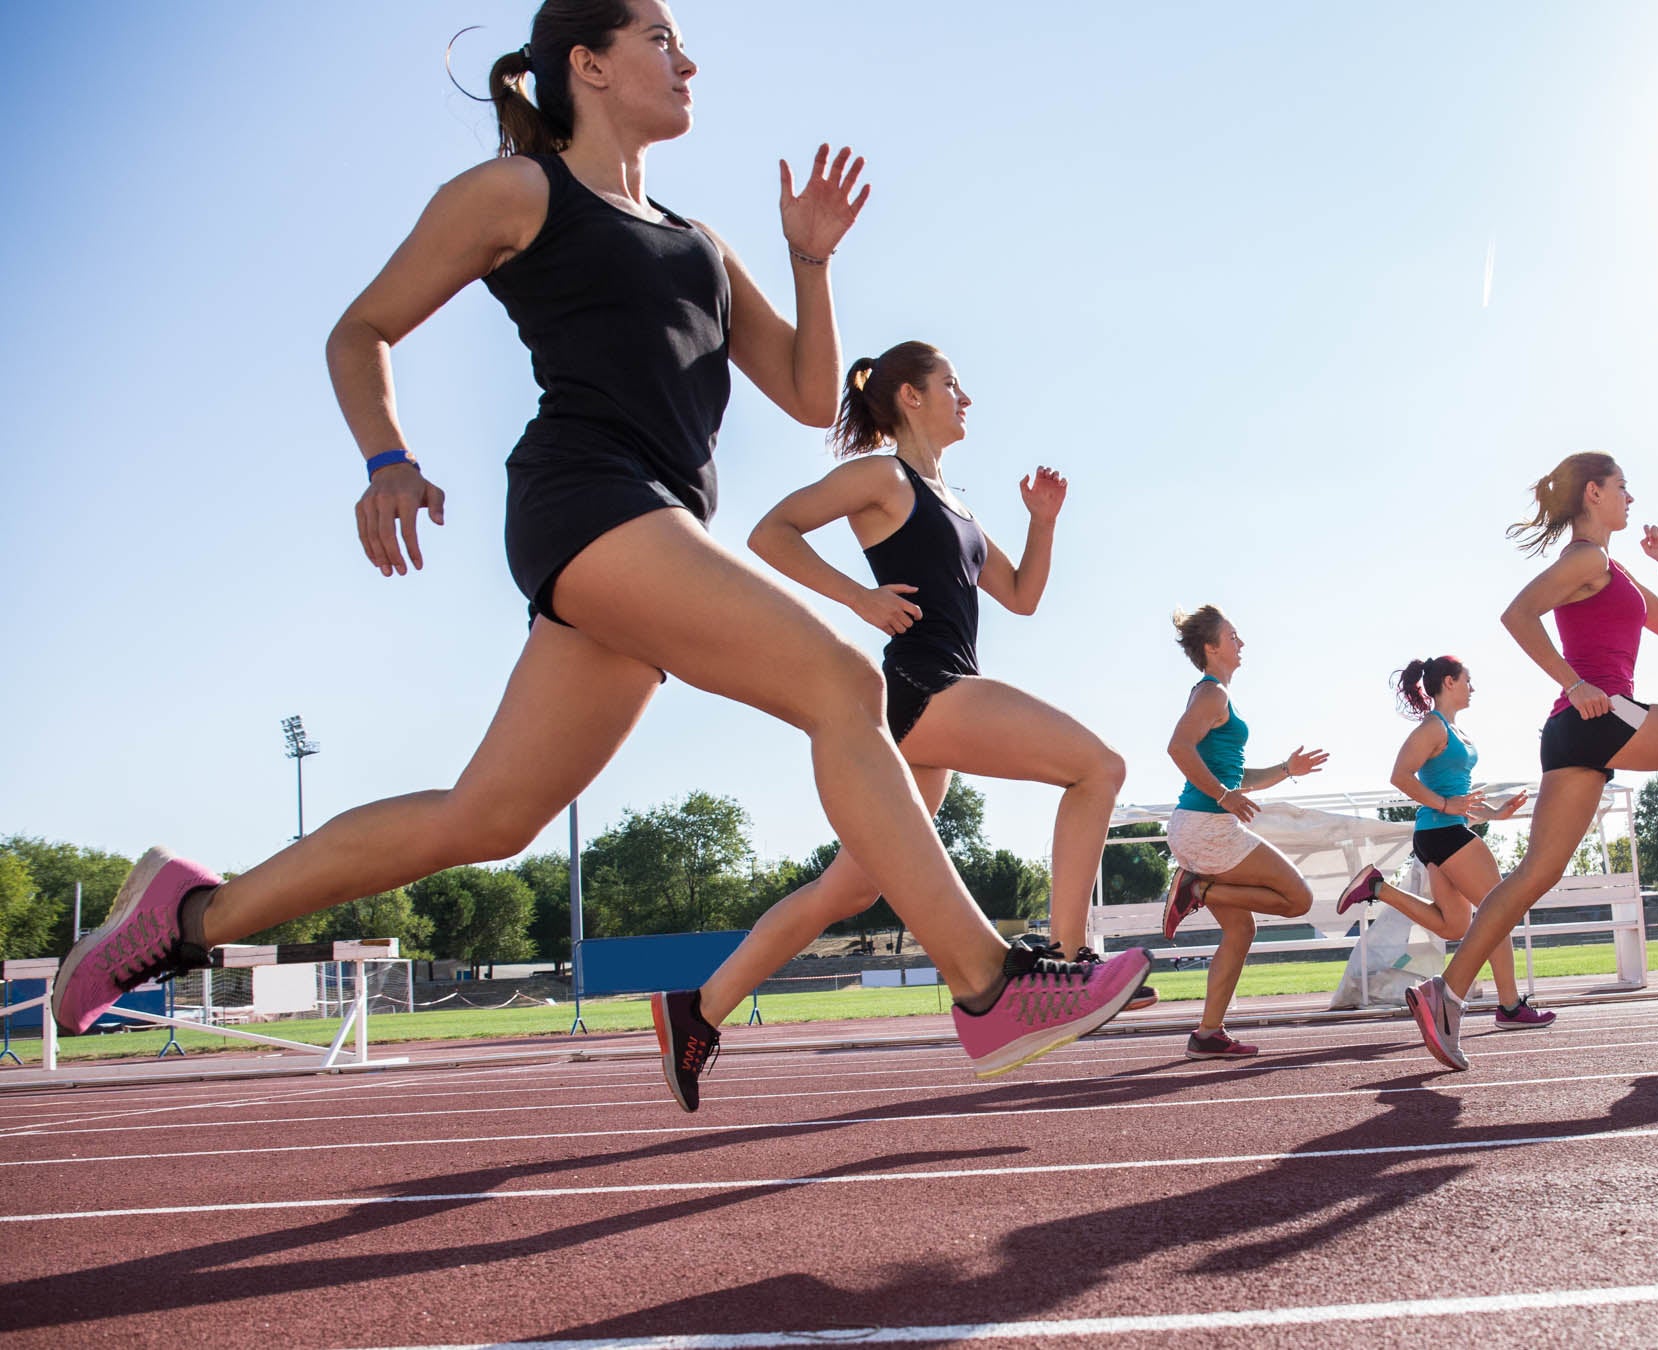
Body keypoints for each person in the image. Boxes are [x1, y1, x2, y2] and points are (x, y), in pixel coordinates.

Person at [51, 0, 1145, 1084]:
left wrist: (808, 264)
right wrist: (387, 459)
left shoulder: (700, 244)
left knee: (488, 817)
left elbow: (813, 392)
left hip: (655, 527)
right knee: (841, 682)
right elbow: (360, 330)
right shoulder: (522, 192)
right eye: (660, 39)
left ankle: (187, 914)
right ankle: (988, 985)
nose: (688, 61)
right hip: (589, 498)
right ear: (588, 63)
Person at [648, 340, 1151, 1110]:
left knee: (842, 892)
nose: (966, 398)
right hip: (924, 686)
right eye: (953, 384)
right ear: (911, 397)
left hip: (940, 700)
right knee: (1097, 767)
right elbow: (771, 532)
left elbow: (1020, 595)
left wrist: (1041, 521)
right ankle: (1069, 957)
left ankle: (699, 1008)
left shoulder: (959, 506)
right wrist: (859, 598)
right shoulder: (883, 477)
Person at [1406, 451, 1658, 1071]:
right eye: (1623, 487)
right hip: (1598, 716)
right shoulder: (1586, 558)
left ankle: (1445, 994)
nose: (1633, 498)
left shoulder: (1615, 567)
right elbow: (1516, 615)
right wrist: (1573, 681)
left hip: (1575, 734)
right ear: (1595, 493)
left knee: (1533, 875)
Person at [1159, 606, 1442, 1058]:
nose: (1242, 643)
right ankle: (1199, 889)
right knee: (1299, 899)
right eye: (1233, 636)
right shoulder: (1211, 695)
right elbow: (1178, 747)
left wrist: (1286, 770)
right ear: (1211, 648)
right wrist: (1222, 796)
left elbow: (1237, 776)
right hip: (1207, 825)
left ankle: (1207, 1033)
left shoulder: (1215, 698)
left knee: (1241, 932)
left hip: (1199, 824)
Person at [1381, 656, 1551, 1028]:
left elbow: (1458, 796)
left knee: (1454, 925)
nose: (1473, 688)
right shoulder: (1433, 728)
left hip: (1439, 834)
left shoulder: (1452, 730)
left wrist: (1494, 813)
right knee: (1499, 911)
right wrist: (1444, 805)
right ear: (1449, 682)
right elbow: (1399, 775)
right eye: (1468, 680)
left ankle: (1379, 889)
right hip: (1443, 833)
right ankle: (1509, 1007)